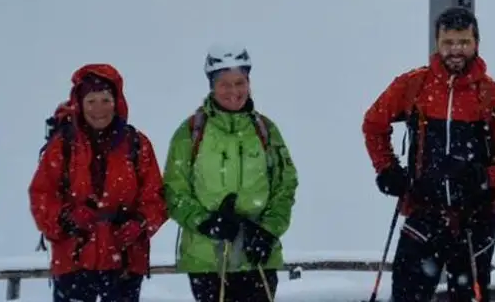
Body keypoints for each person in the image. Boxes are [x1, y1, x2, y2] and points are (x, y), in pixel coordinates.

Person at [360, 6, 495, 302]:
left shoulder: (494, 95)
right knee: (406, 294)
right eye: (448, 43)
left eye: (464, 42)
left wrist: (484, 179)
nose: (456, 50)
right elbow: (374, 123)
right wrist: (387, 169)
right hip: (423, 210)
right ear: (437, 43)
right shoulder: (414, 84)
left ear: (476, 43)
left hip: (475, 218)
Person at [161, 44, 300, 302]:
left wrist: (268, 231)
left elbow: (286, 184)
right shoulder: (191, 131)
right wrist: (207, 222)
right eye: (225, 84)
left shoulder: (265, 129)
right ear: (212, 86)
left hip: (258, 256)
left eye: (240, 82)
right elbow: (174, 190)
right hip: (206, 261)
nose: (234, 91)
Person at [29, 64, 167, 302]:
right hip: (74, 263)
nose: (99, 109)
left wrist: (140, 223)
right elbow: (42, 195)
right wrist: (66, 219)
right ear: (80, 104)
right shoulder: (63, 146)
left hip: (124, 263)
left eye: (105, 100)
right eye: (91, 101)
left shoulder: (136, 144)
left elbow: (156, 196)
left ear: (117, 102)